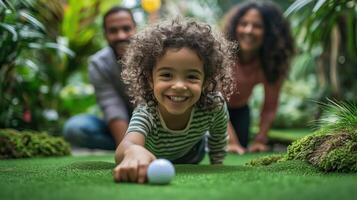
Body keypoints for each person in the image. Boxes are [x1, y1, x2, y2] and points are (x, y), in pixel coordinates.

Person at [112, 17, 235, 183]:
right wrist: (133, 151)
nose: (178, 86)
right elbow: (126, 146)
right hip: (152, 159)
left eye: (191, 77)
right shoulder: (147, 111)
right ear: (150, 79)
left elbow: (218, 136)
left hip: (192, 154)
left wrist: (217, 164)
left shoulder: (214, 105)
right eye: (167, 75)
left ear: (206, 81)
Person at [223, 1, 295, 154]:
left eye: (257, 26)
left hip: (240, 110)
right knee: (219, 147)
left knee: (242, 145)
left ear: (270, 32)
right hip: (210, 109)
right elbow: (214, 103)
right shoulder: (221, 55)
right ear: (235, 26)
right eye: (243, 23)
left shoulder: (272, 62)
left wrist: (259, 140)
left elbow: (269, 107)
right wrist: (231, 141)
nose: (248, 30)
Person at [63, 6, 136, 150]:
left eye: (126, 29)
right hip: (120, 127)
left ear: (136, 29)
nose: (121, 36)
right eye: (113, 31)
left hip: (155, 126)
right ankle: (129, 146)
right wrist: (128, 151)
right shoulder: (98, 63)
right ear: (105, 34)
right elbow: (112, 106)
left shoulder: (153, 56)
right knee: (74, 128)